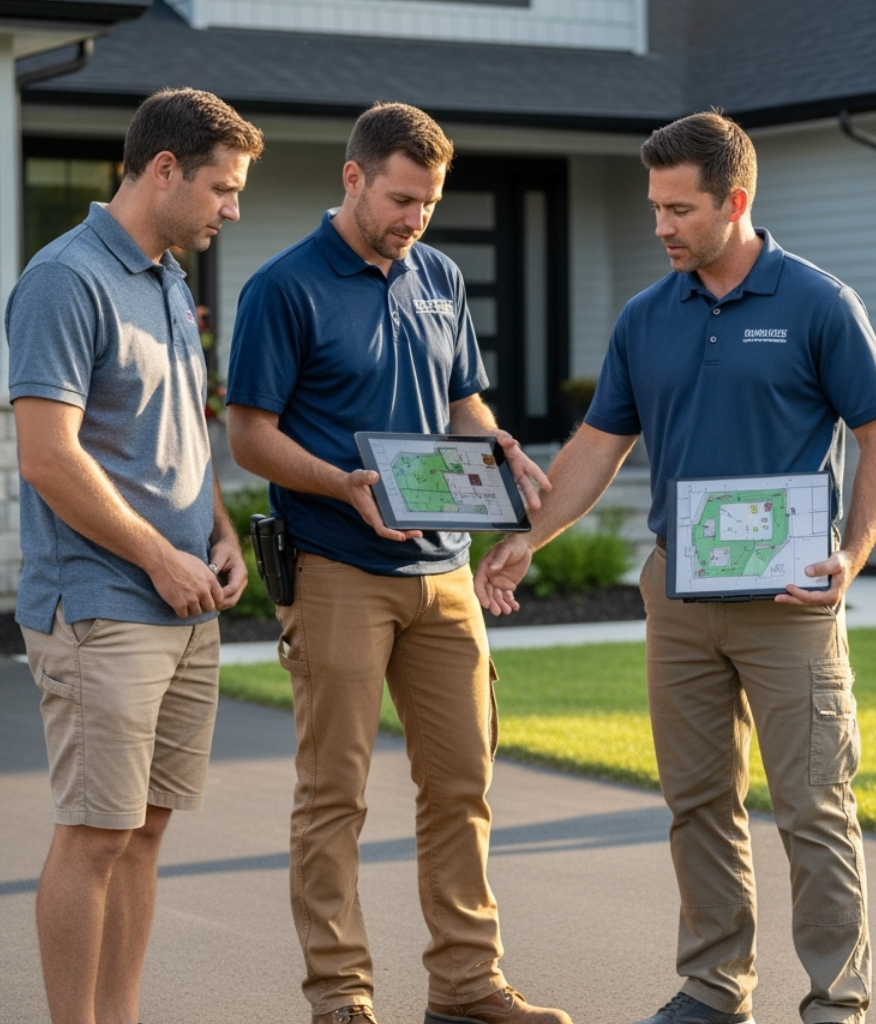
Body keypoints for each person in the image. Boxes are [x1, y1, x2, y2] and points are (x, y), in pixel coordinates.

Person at [475, 111, 876, 1024]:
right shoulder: (646, 317)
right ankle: (714, 987)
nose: (662, 226)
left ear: (736, 202)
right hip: (679, 593)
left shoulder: (818, 303)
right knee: (698, 802)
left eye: (680, 209)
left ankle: (837, 1000)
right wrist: (528, 536)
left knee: (813, 808)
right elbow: (599, 445)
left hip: (789, 603)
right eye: (655, 208)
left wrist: (853, 556)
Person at [225, 101, 569, 1024]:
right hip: (336, 567)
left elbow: (463, 403)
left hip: (444, 572)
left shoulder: (440, 277)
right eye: (402, 198)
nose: (415, 218)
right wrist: (342, 483)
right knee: (334, 792)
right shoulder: (282, 288)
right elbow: (249, 437)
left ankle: (465, 986)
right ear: (354, 178)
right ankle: (340, 996)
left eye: (429, 202)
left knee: (463, 784)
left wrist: (503, 451)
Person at [6, 87, 264, 1024]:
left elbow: (176, 432)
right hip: (105, 603)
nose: (231, 209)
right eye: (223, 190)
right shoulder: (64, 278)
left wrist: (222, 532)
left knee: (145, 833)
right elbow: (49, 456)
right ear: (163, 171)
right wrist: (161, 556)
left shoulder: (163, 277)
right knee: (94, 835)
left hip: (184, 599)